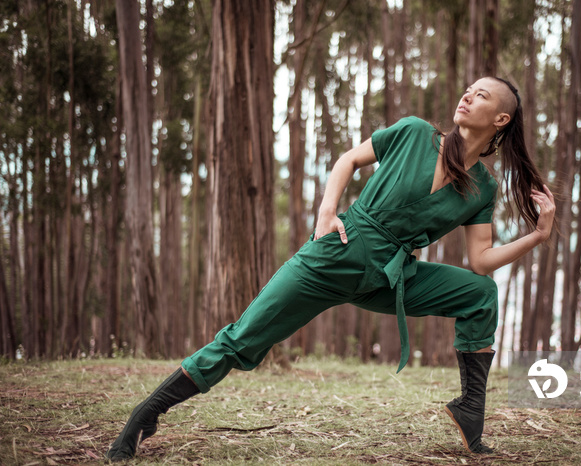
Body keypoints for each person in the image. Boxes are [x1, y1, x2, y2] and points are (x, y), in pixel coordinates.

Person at [105, 76, 556, 460]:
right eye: (468, 90)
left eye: (481, 95)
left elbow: (480, 261)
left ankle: (470, 412)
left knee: (480, 294)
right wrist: (327, 213)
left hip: (392, 276)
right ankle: (146, 414)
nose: (467, 96)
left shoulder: (482, 187)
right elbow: (348, 160)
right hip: (335, 254)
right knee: (242, 339)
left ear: (501, 119)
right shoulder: (415, 132)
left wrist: (537, 235)